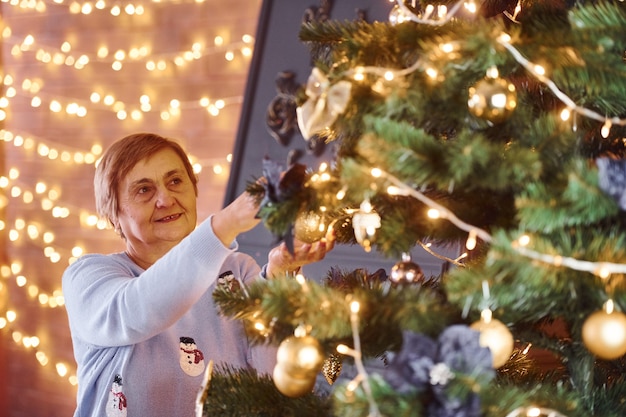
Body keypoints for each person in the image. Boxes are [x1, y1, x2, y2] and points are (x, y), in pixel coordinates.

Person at [62, 132, 334, 417]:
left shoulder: (238, 271)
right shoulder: (88, 276)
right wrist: (225, 224)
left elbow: (275, 379)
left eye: (176, 181)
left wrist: (279, 276)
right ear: (113, 212)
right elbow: (135, 311)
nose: (166, 199)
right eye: (144, 190)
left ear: (194, 189)